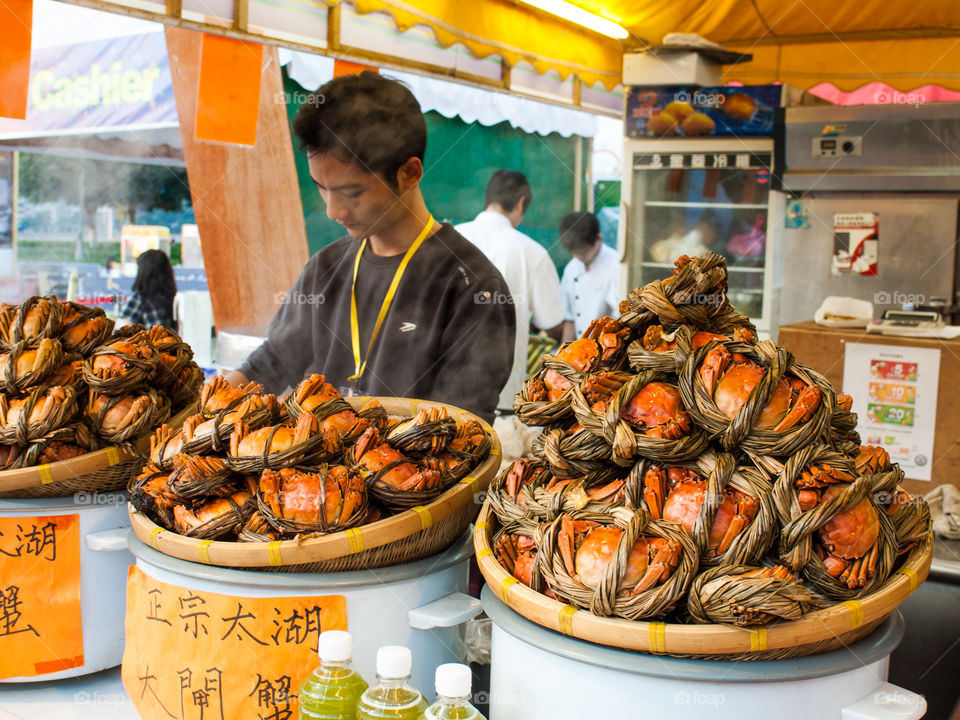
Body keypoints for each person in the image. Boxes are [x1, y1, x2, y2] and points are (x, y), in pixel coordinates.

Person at [226, 72, 514, 424]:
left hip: (410, 476)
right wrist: (207, 411)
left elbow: (460, 429)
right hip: (316, 475)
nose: (333, 211)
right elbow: (271, 363)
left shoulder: (473, 287)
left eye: (351, 193)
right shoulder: (325, 268)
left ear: (410, 173)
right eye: (322, 188)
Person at [455, 170, 564, 413]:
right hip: (499, 398)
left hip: (443, 394)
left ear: (488, 198)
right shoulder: (531, 252)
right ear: (521, 203)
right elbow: (553, 323)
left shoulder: (451, 238)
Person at [558, 211, 619, 342]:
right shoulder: (572, 268)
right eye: (574, 253)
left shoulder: (616, 265)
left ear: (598, 239)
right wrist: (561, 357)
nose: (579, 258)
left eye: (583, 252)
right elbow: (570, 320)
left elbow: (620, 320)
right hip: (580, 349)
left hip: (607, 347)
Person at [118, 249, 176, 329]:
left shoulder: (140, 299)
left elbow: (123, 330)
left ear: (143, 272)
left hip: (149, 341)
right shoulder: (173, 297)